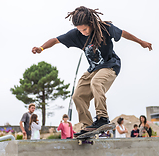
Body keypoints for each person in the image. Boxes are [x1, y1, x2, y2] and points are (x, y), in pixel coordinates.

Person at [32, 6, 152, 136]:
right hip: (93, 69)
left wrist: (141, 42)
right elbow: (56, 40)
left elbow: (123, 33)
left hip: (110, 65)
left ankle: (102, 118)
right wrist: (41, 48)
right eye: (79, 30)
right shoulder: (76, 35)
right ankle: (88, 126)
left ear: (91, 23)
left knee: (96, 82)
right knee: (77, 95)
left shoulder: (105, 28)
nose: (82, 32)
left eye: (84, 29)